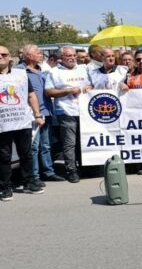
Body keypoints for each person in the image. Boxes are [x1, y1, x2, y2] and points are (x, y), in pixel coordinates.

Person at [0, 46, 46, 199]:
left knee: (26, 154)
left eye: (4, 54)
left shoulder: (21, 75)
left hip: (22, 121)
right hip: (2, 124)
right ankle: (5, 187)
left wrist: (38, 114)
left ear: (10, 58)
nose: (1, 57)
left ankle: (29, 182)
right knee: (4, 157)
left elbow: (31, 95)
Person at [17, 45, 64, 185]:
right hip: (32, 114)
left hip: (46, 112)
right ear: (28, 55)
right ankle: (34, 176)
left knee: (46, 145)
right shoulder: (19, 71)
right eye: (38, 52)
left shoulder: (42, 70)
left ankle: (48, 172)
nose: (41, 54)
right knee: (34, 146)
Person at [44, 46, 92, 183]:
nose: (72, 58)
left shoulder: (83, 69)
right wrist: (68, 91)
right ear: (61, 58)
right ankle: (71, 170)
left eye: (73, 55)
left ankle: (84, 167)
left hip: (84, 111)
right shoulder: (53, 72)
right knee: (69, 143)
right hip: (66, 111)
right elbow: (48, 92)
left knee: (83, 141)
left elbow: (92, 85)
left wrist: (90, 87)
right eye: (68, 56)